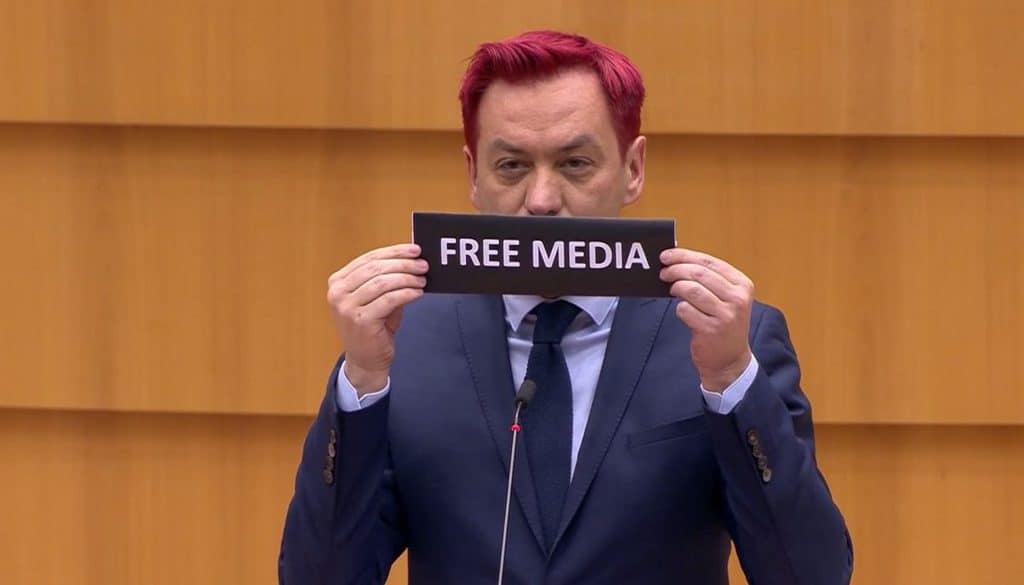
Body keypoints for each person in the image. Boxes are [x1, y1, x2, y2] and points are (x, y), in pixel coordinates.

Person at [279, 30, 852, 585]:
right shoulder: (402, 341)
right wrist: (362, 383)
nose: (542, 200)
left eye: (575, 163)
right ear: (473, 176)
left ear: (632, 170)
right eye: (511, 166)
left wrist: (730, 380)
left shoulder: (727, 337)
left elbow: (811, 575)